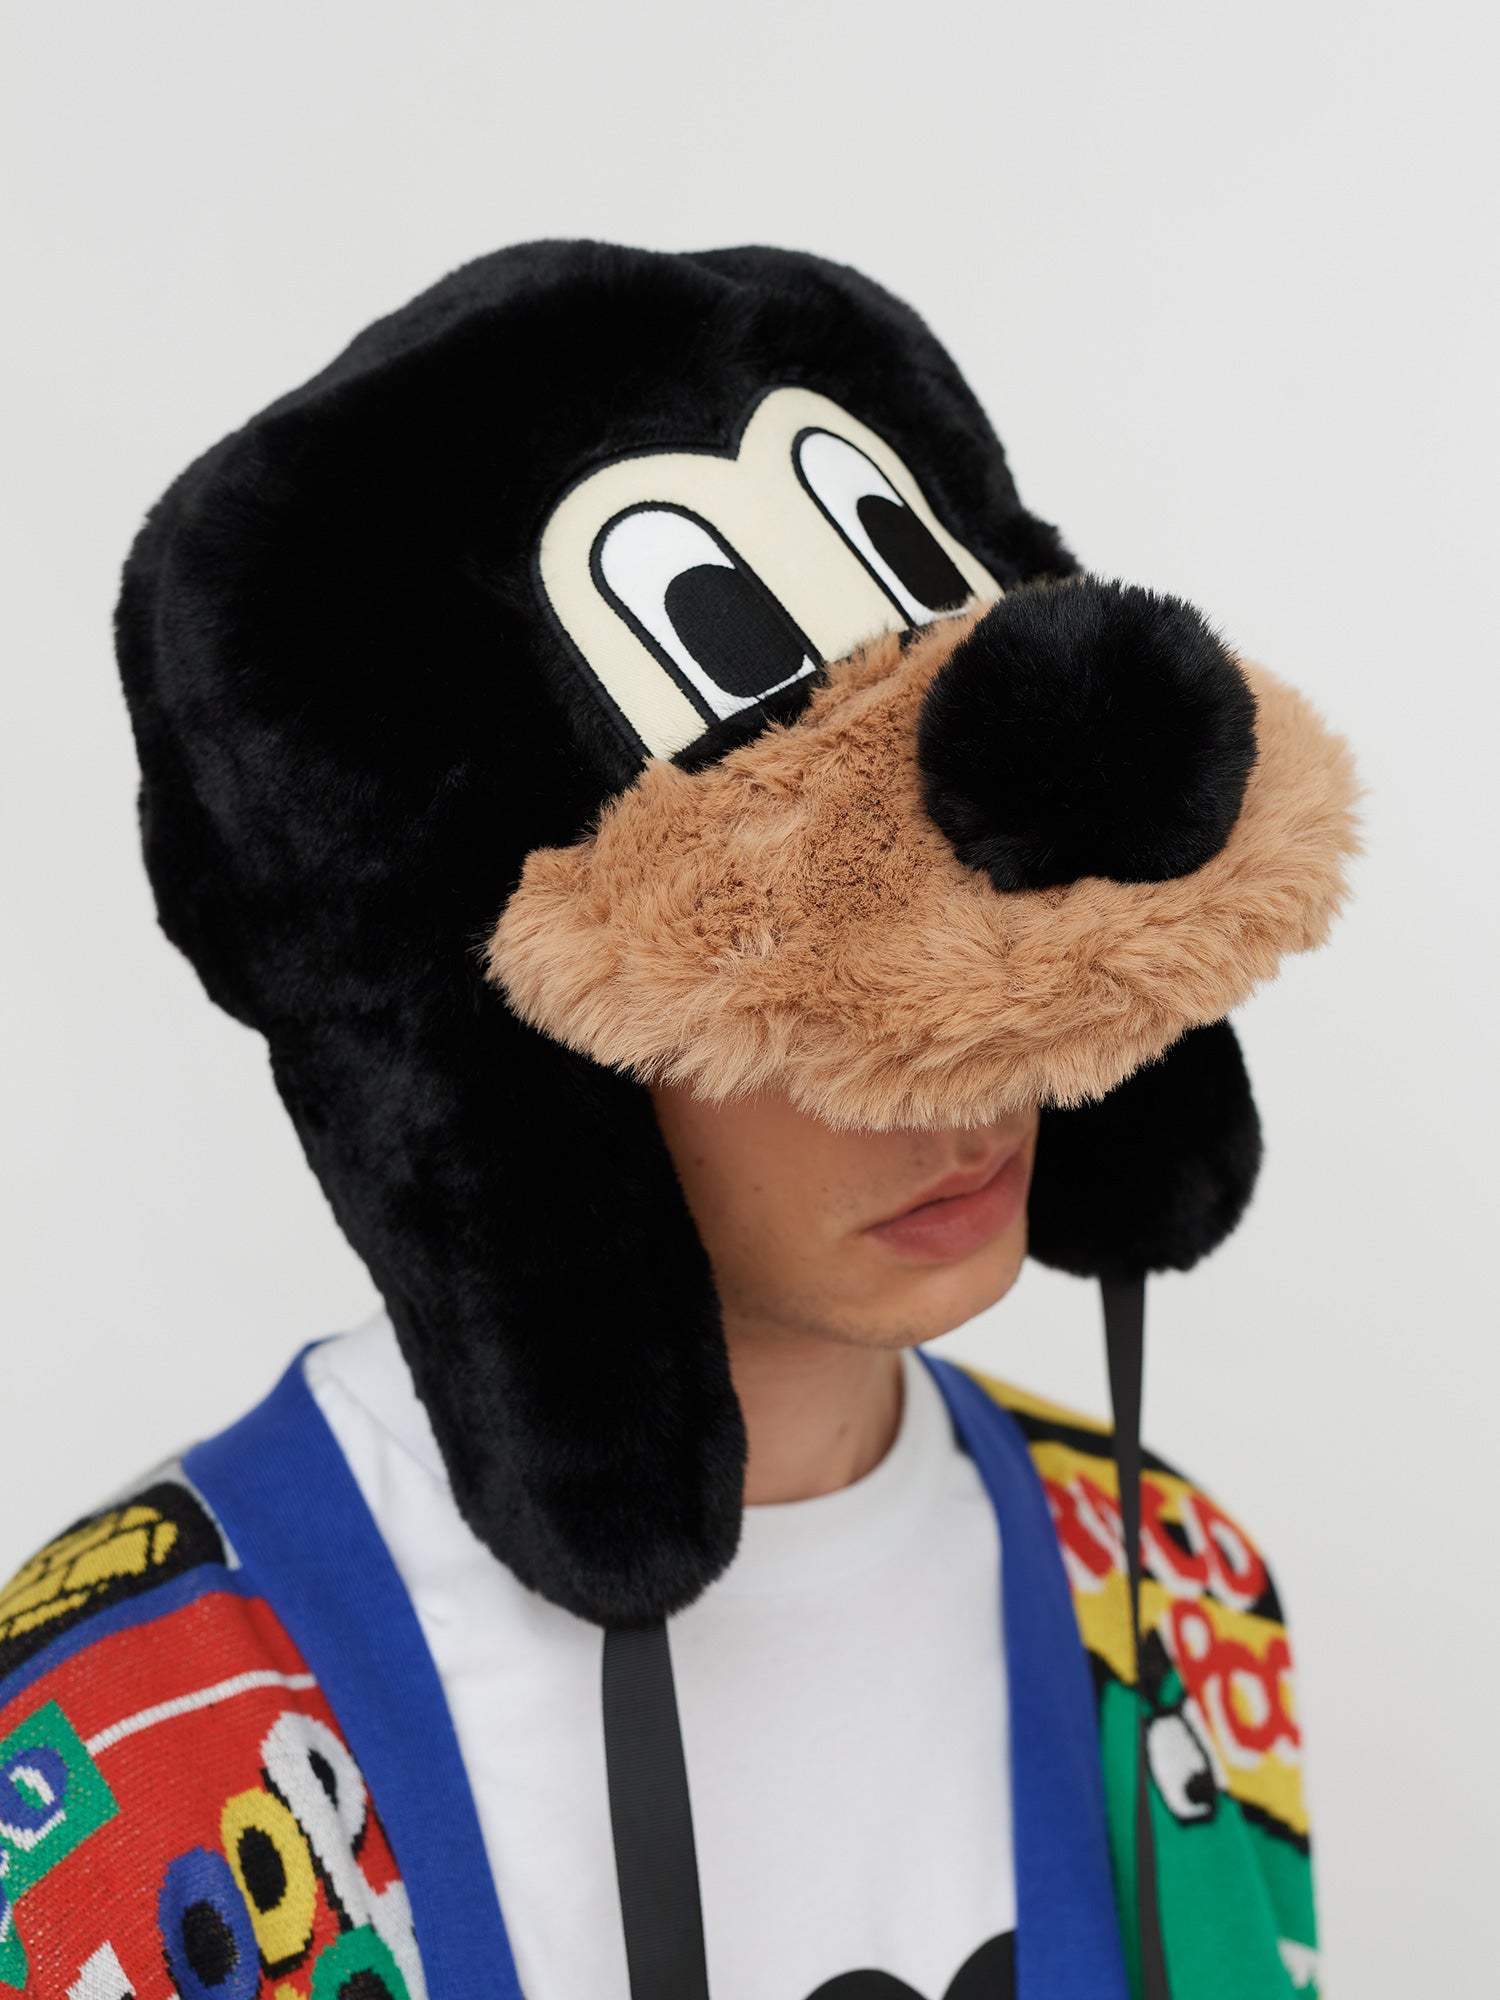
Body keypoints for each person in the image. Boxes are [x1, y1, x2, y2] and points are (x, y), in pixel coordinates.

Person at [0, 242, 1357, 2000]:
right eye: (810, 991)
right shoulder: (126, 1748)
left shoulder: (1176, 1590)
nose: (972, 1079)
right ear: (501, 1054)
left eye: (1013, 932)